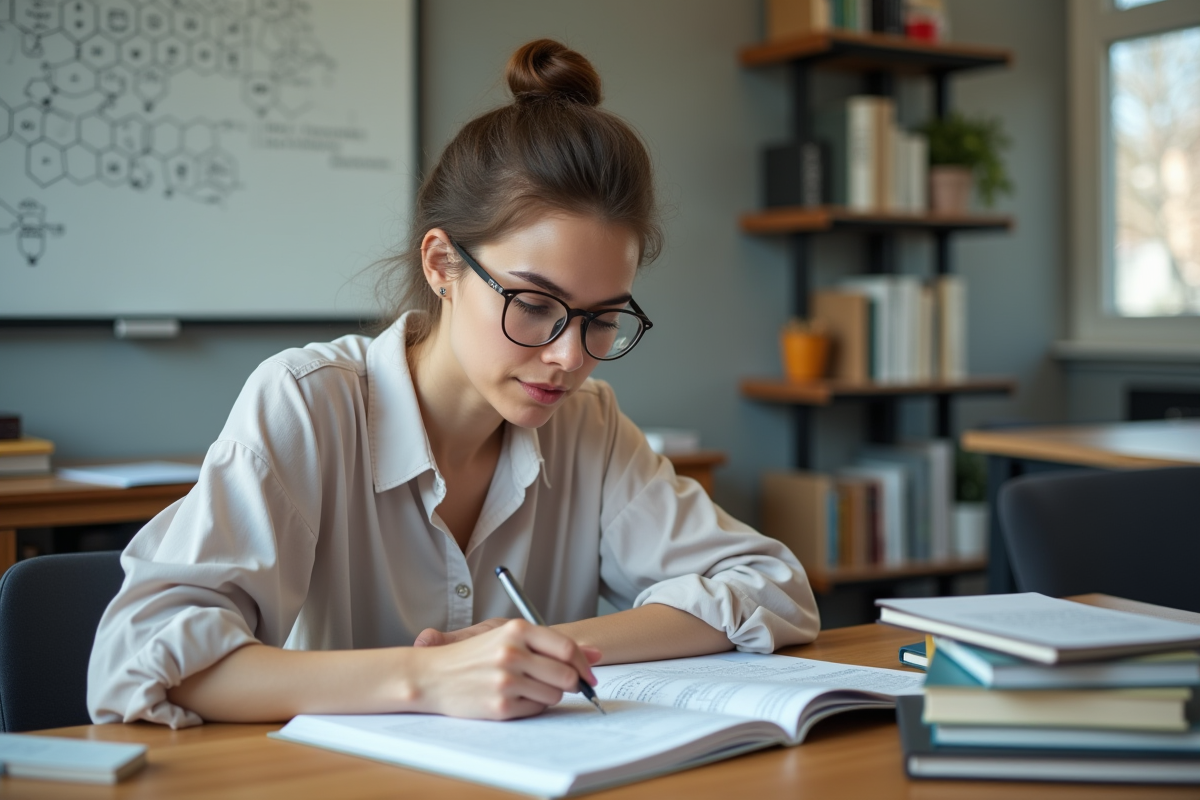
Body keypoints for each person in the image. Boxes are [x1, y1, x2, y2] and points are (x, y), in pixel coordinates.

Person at [87, 39, 819, 729]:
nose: (569, 356)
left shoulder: (587, 422)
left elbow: (770, 585)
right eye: (534, 305)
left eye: (602, 318)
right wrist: (430, 678)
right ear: (442, 265)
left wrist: (538, 647)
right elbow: (138, 658)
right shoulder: (308, 402)